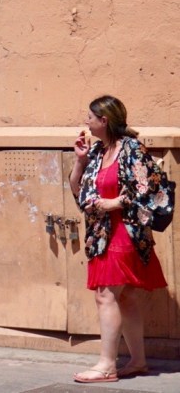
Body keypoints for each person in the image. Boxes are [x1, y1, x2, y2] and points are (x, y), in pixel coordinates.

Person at [68, 95, 169, 384]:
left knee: (105, 295)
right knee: (125, 297)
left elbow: (148, 188)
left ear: (104, 120)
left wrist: (115, 203)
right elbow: (79, 190)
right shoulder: (99, 151)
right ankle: (137, 360)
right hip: (102, 234)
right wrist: (80, 160)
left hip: (125, 232)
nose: (86, 121)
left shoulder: (132, 149)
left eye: (90, 116)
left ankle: (107, 365)